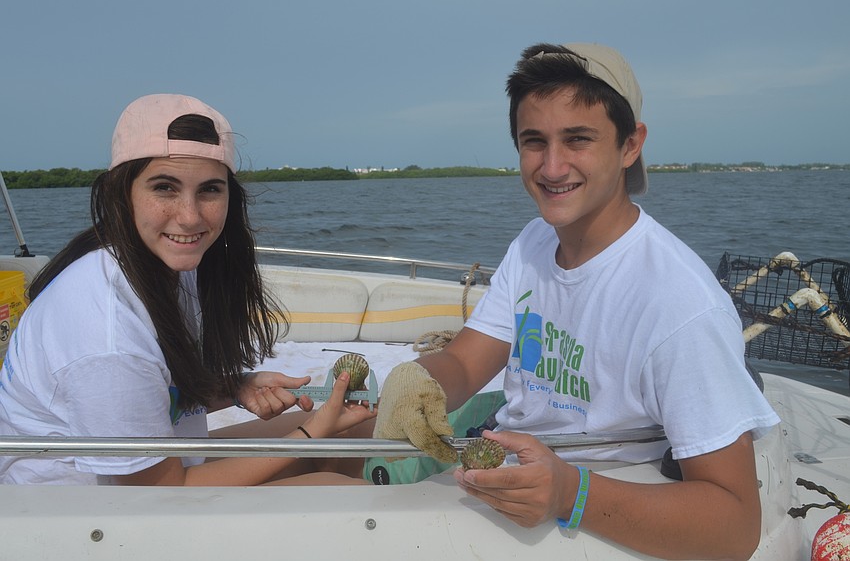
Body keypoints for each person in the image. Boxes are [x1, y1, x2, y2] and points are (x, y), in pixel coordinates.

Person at [374, 43, 780, 560]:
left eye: (578, 139)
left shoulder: (680, 305)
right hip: (502, 454)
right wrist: (422, 381)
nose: (552, 166)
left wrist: (572, 494)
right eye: (533, 141)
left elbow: (734, 526)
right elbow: (464, 359)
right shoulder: (533, 243)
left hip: (586, 502)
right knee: (330, 455)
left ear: (631, 145)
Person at [0, 93, 376, 485]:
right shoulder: (105, 336)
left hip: (159, 470)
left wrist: (236, 389)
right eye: (164, 187)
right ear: (121, 193)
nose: (190, 216)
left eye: (210, 190)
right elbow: (160, 494)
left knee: (345, 435)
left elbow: (155, 395)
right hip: (80, 515)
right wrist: (309, 436)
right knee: (328, 482)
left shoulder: (163, 265)